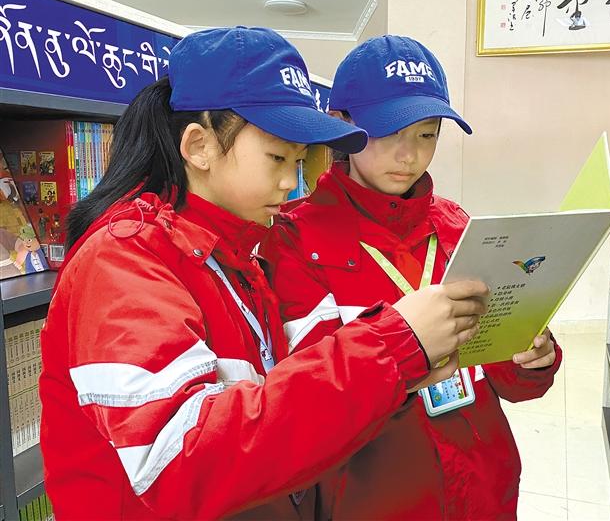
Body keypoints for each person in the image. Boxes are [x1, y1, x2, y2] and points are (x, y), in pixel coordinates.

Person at [38, 28, 488, 520]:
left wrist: (397, 375)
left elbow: (276, 413)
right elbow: (181, 461)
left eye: (298, 161)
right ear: (199, 146)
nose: (289, 183)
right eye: (276, 157)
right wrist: (393, 347)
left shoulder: (235, 257)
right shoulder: (124, 260)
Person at [262, 35, 563, 520]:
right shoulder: (294, 240)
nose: (409, 155)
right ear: (342, 125)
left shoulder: (457, 227)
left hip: (484, 487)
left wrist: (532, 358)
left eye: (426, 135)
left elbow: (508, 382)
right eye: (389, 132)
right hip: (375, 498)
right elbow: (314, 402)